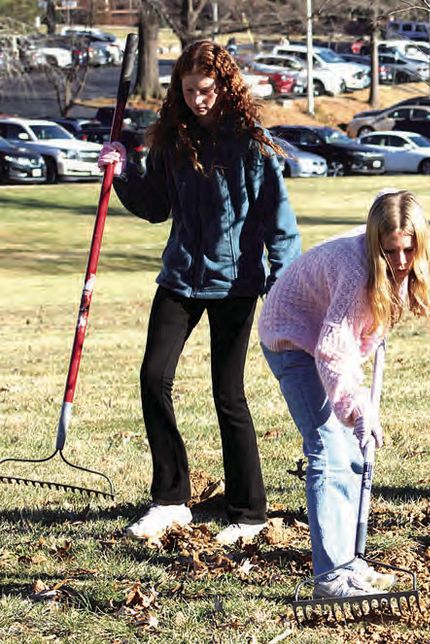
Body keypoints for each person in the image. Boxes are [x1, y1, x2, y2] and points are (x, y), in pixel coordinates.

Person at [97, 40, 301, 544]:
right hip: (181, 278)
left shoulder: (251, 144)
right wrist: (121, 172)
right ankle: (169, 500)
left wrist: (283, 285)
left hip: (236, 284)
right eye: (188, 91)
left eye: (206, 90)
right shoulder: (170, 140)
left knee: (227, 394)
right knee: (152, 378)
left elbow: (279, 223)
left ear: (224, 86)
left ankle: (248, 512)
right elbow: (155, 207)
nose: (198, 100)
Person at [260, 190, 430, 598]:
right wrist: (357, 409)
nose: (399, 260)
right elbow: (331, 349)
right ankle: (329, 578)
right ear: (375, 242)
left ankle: (348, 561)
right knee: (328, 450)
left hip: (323, 335)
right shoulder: (355, 272)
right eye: (390, 250)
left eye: (408, 249)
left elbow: (352, 337)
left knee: (353, 454)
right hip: (291, 336)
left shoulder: (401, 265)